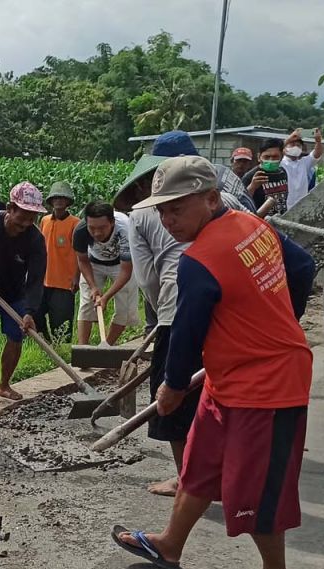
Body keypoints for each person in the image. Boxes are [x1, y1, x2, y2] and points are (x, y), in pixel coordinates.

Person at [110, 155, 316, 569]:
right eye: (161, 211)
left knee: (256, 485)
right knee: (200, 465)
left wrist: (173, 385)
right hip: (229, 378)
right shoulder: (252, 224)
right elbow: (301, 267)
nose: (167, 220)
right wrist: (283, 319)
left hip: (269, 385)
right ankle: (169, 544)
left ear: (209, 198)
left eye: (176, 209)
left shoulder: (200, 259)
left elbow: (186, 331)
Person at [115, 145, 251, 498]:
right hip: (231, 317)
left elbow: (147, 280)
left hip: (177, 311)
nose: (168, 217)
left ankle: (187, 478)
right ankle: (220, 475)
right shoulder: (232, 209)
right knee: (217, 396)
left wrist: (161, 315)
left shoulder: (142, 217)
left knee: (171, 400)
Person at [0, 182, 48, 406]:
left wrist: (30, 311)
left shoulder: (35, 239)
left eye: (32, 218)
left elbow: (35, 279)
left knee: (16, 337)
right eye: (22, 216)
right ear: (10, 208)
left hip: (15, 294)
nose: (26, 223)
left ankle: (4, 385)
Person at [74, 202, 138, 346]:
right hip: (94, 263)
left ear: (112, 222)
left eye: (102, 228)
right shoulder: (80, 231)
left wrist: (106, 297)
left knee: (124, 309)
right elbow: (83, 261)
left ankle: (106, 347)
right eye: (92, 228)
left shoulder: (125, 229)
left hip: (120, 264)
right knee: (87, 303)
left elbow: (126, 271)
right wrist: (93, 287)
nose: (97, 233)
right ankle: (83, 349)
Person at [37, 181, 81, 342]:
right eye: (56, 198)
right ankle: (46, 343)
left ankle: (62, 349)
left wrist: (77, 277)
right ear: (51, 201)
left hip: (64, 282)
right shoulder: (44, 220)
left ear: (68, 201)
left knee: (61, 322)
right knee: (36, 314)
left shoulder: (75, 223)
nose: (59, 201)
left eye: (63, 198)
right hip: (44, 279)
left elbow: (79, 253)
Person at [244, 139, 291, 218]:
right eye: (267, 157)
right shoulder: (251, 176)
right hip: (260, 223)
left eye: (275, 157)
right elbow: (241, 201)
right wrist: (252, 186)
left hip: (280, 221)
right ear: (259, 157)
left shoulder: (282, 172)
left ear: (281, 157)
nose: (271, 160)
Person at [282, 128, 324, 209]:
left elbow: (317, 154)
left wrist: (318, 141)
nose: (295, 147)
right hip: (284, 208)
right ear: (284, 148)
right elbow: (276, 150)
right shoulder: (280, 163)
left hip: (300, 207)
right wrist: (289, 138)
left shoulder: (304, 163)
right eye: (292, 144)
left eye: (298, 145)